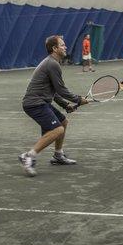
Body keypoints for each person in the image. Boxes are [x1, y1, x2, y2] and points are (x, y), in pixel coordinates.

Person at [18, 35, 88, 177]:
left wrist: (66, 105)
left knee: (63, 121)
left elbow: (54, 91)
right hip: (35, 103)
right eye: (62, 45)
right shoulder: (52, 64)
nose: (65, 47)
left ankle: (58, 155)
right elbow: (62, 90)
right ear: (55, 49)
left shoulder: (52, 63)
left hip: (41, 101)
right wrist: (78, 100)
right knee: (58, 130)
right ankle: (29, 156)